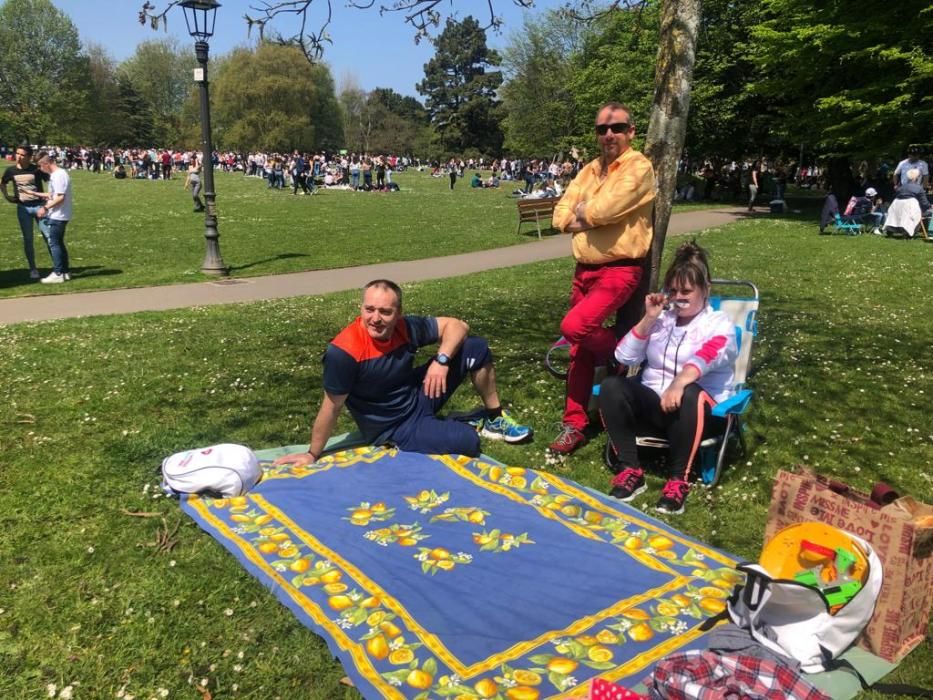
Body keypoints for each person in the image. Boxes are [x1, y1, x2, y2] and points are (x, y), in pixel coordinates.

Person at [272, 280, 532, 468]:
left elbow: (458, 325)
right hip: (396, 426)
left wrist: (441, 361)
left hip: (418, 394)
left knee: (474, 346)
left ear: (398, 314)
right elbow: (331, 408)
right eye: (369, 309)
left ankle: (494, 416)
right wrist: (313, 454)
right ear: (361, 308)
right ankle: (467, 423)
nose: (375, 318)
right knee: (468, 442)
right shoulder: (344, 351)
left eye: (385, 312)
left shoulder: (405, 328)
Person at [548, 101, 656, 456]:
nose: (609, 134)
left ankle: (618, 355)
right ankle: (575, 423)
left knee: (574, 328)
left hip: (620, 268)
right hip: (584, 270)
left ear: (631, 131)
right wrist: (583, 215)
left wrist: (587, 213)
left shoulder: (638, 167)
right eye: (602, 129)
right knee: (578, 349)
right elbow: (559, 214)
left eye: (617, 128)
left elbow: (607, 209)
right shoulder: (591, 170)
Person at [598, 241, 737, 515]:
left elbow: (709, 355)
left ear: (705, 289)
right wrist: (648, 319)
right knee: (611, 385)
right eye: (673, 290)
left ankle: (678, 481)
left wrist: (680, 382)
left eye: (687, 291)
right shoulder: (662, 321)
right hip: (656, 408)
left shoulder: (719, 324)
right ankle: (630, 471)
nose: (679, 297)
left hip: (700, 415)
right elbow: (624, 357)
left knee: (690, 392)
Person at [1, 145, 49, 280]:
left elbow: (50, 180)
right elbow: (3, 182)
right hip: (23, 208)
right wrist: (7, 196)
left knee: (48, 236)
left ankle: (58, 268)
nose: (18, 156)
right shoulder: (11, 170)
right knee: (28, 239)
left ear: (29, 157)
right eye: (17, 153)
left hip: (39, 207)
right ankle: (33, 269)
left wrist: (47, 199)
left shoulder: (36, 169)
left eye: (22, 154)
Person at [30, 153, 73, 284]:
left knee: (54, 243)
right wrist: (34, 193)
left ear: (46, 164)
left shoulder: (58, 175)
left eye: (39, 166)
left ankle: (58, 272)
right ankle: (65, 272)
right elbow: (53, 194)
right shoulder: (57, 175)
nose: (40, 169)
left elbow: (60, 197)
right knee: (58, 243)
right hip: (58, 214)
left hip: (58, 215)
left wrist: (45, 208)